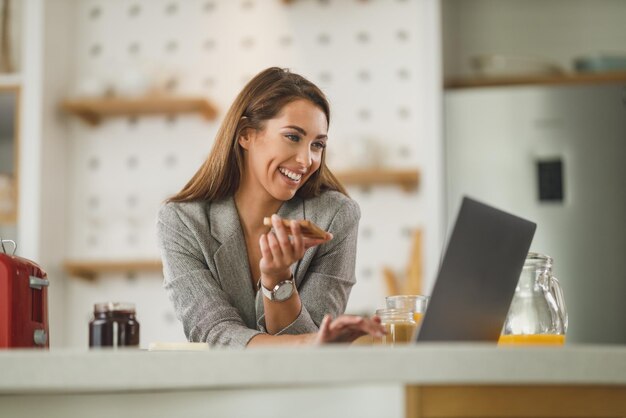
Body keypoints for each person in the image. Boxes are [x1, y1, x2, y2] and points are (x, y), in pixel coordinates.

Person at [157, 67, 384, 347]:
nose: (306, 160)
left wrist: (278, 280)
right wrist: (308, 344)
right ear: (246, 135)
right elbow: (212, 332)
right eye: (293, 137)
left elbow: (313, 342)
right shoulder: (182, 221)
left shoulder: (335, 216)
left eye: (317, 145)